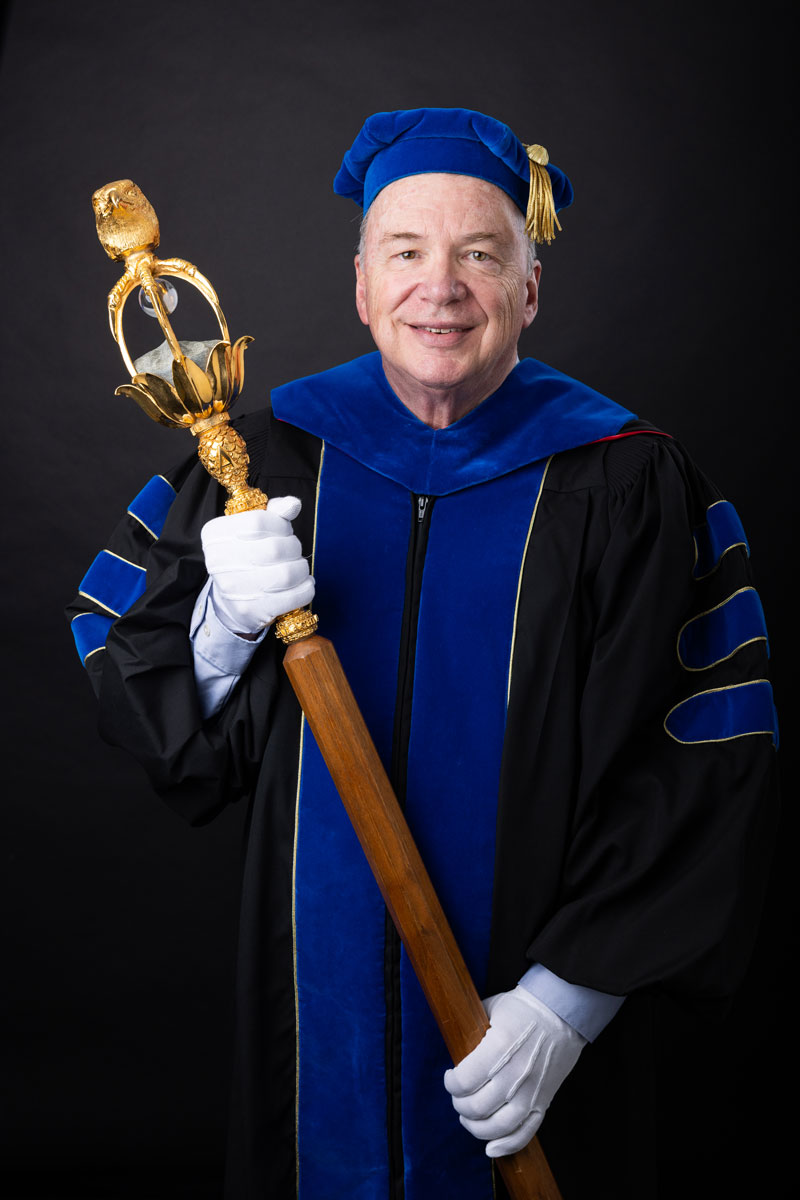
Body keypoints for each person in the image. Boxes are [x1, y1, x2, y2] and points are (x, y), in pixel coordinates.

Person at [67, 109, 779, 1200]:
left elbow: (699, 749)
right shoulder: (259, 464)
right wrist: (218, 624)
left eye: (479, 253)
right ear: (361, 285)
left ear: (527, 292)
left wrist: (565, 1002)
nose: (437, 287)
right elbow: (136, 680)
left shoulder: (627, 484)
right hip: (318, 1035)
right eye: (404, 252)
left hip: (537, 1048)